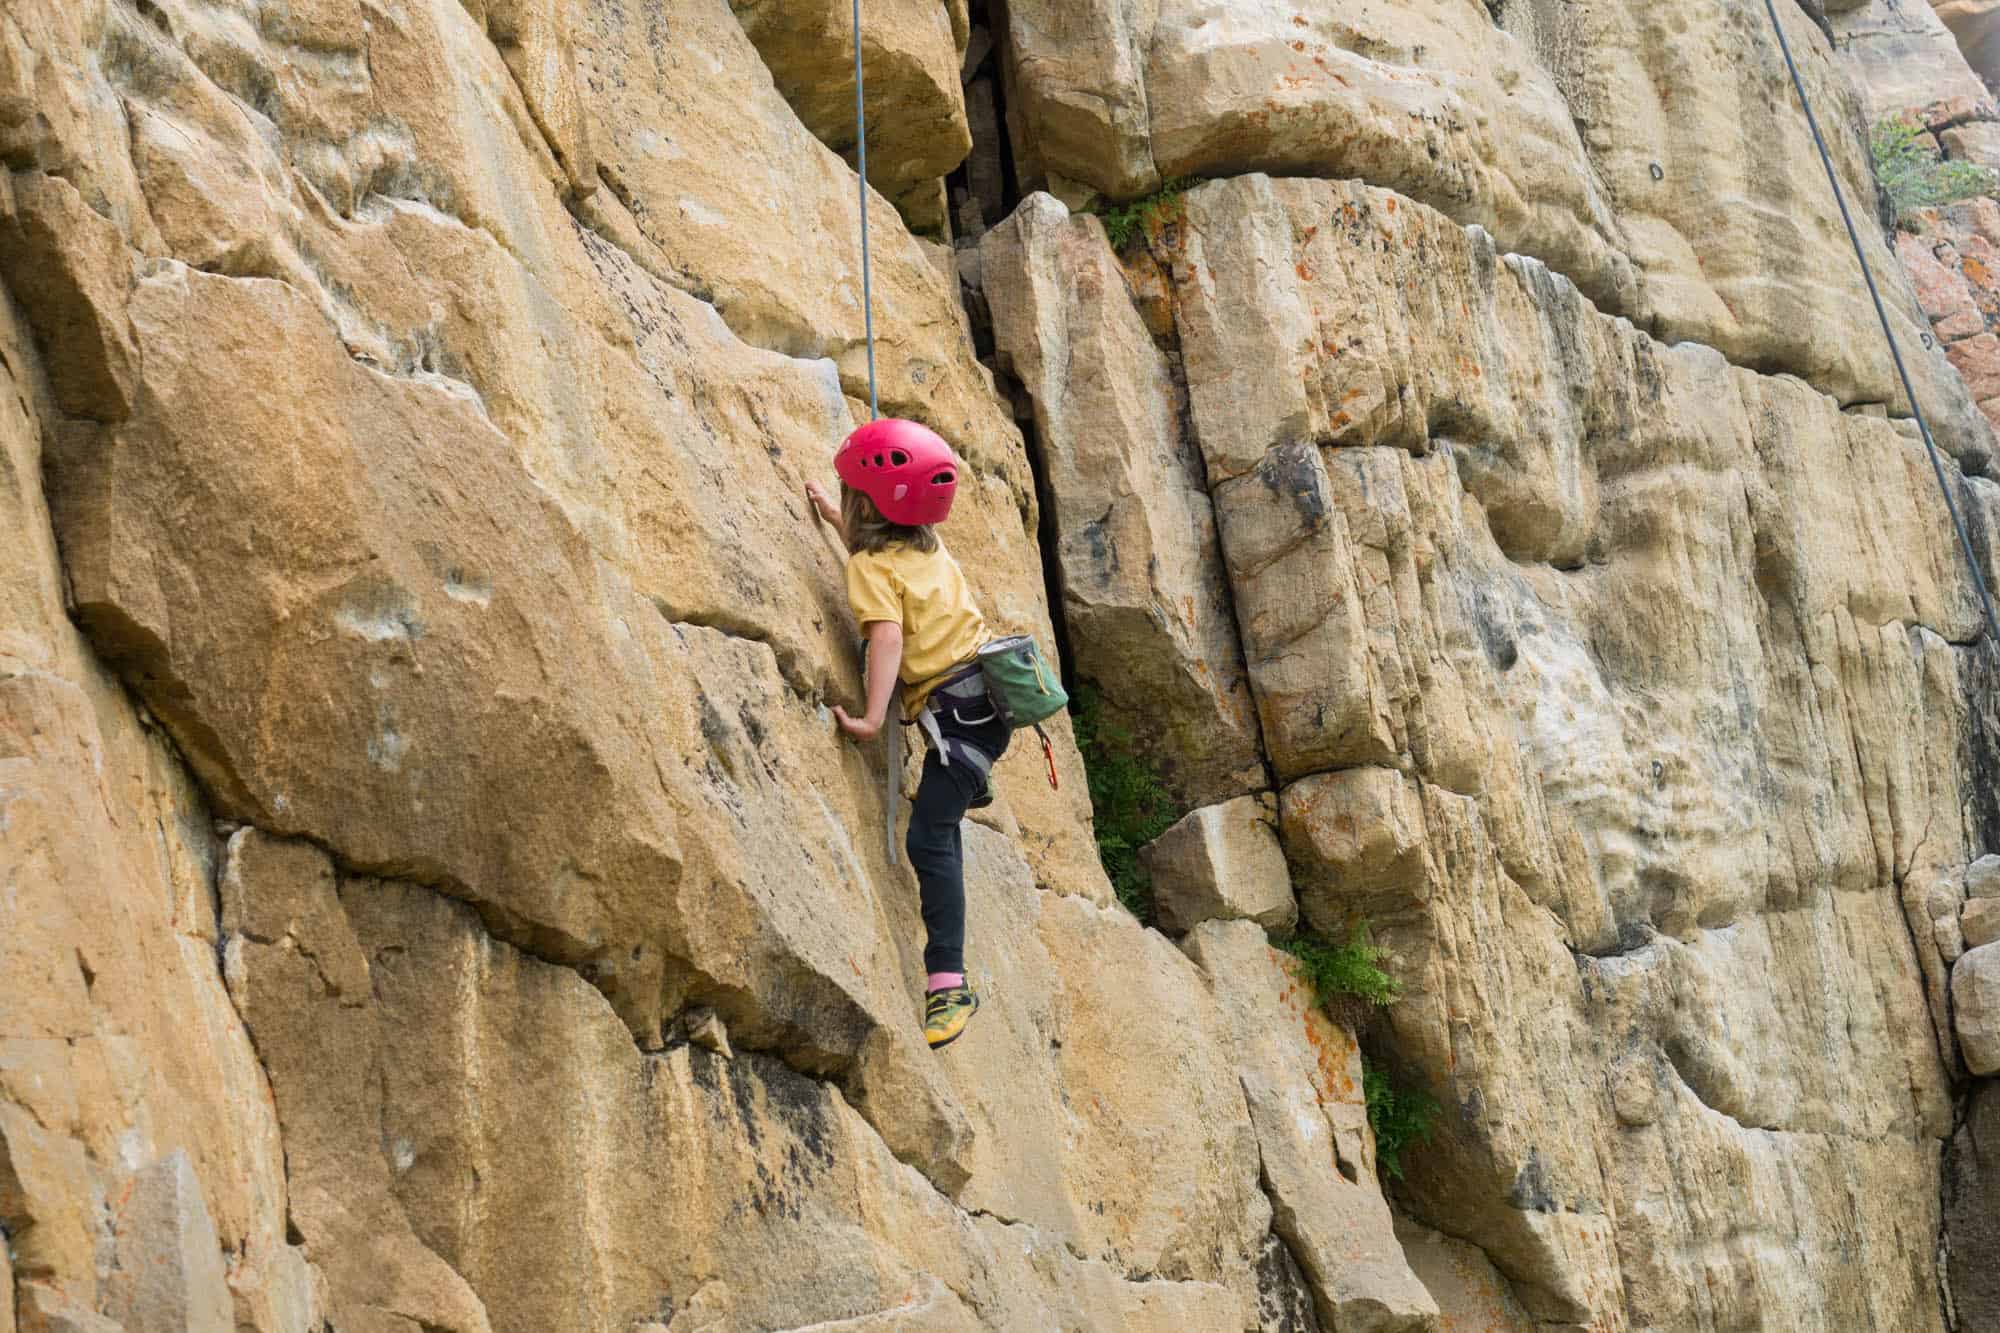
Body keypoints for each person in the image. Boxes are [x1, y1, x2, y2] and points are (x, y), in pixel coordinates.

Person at [805, 417, 1010, 1050]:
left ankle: (949, 981)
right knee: (950, 790)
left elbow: (887, 635)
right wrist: (842, 530)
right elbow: (900, 584)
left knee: (930, 840)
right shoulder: (927, 548)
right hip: (987, 706)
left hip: (956, 721)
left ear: (862, 503)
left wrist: (870, 717)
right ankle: (966, 784)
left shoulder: (871, 565)